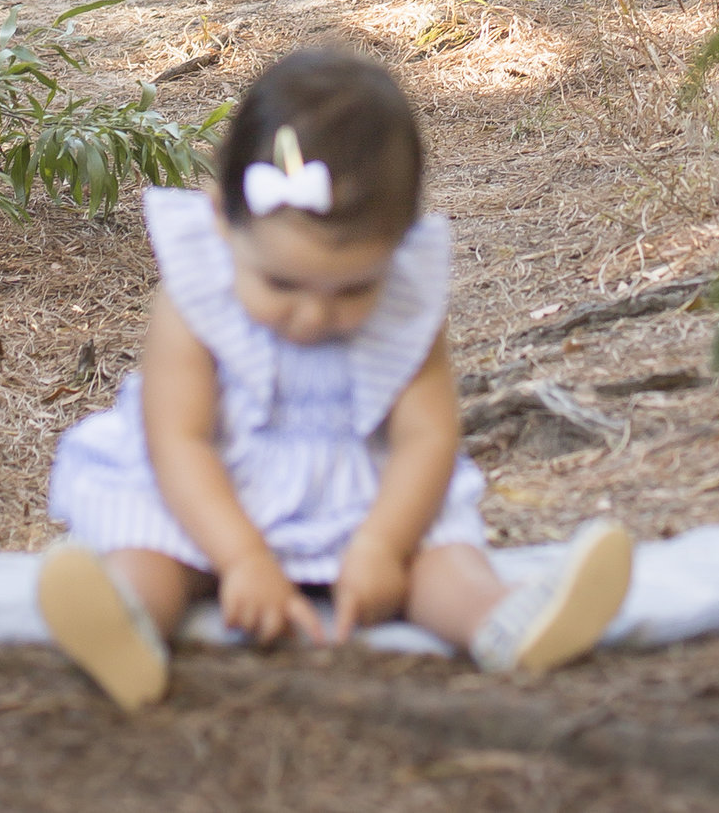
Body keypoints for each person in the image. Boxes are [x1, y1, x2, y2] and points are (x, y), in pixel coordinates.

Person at [37, 48, 634, 708]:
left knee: (439, 558)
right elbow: (178, 440)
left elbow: (426, 439)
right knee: (150, 552)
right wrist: (241, 559)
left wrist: (381, 545)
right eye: (282, 283)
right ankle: (125, 624)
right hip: (209, 497)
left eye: (353, 289)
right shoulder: (195, 292)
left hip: (362, 496)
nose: (313, 315)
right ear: (222, 220)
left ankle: (503, 620)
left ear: (398, 247)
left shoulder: (408, 303)